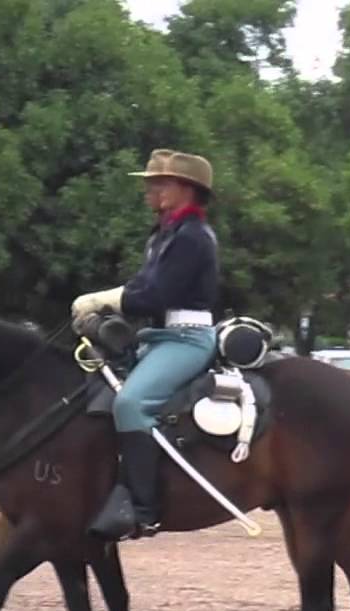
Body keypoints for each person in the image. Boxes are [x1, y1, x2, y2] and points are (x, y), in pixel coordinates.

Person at [76, 150, 220, 541]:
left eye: (159, 183)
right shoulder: (164, 234)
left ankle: (143, 509)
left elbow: (156, 295)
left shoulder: (192, 237)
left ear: (186, 189)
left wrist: (103, 299)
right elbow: (142, 285)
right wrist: (106, 303)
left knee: (131, 403)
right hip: (159, 337)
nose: (149, 189)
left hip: (186, 338)